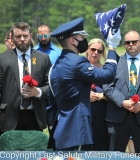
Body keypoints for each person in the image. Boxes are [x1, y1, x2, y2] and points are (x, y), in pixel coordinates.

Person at [46, 17, 121, 151]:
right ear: (72, 40)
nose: (83, 40)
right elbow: (108, 76)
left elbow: (51, 101)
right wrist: (112, 47)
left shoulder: (56, 65)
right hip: (77, 130)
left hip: (61, 128)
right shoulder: (78, 62)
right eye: (81, 36)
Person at [103, 30, 140, 153]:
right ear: (124, 44)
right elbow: (107, 86)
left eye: (134, 42)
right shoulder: (115, 63)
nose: (131, 44)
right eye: (128, 42)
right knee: (115, 155)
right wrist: (122, 101)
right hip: (118, 117)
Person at [0, 22, 51, 135]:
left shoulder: (43, 58)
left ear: (31, 36)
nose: (22, 39)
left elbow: (52, 87)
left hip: (35, 118)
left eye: (25, 36)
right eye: (18, 36)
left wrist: (37, 91)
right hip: (8, 118)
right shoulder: (2, 59)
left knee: (34, 152)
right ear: (12, 38)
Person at [86, 38, 109, 151]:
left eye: (99, 51)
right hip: (84, 112)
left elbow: (114, 90)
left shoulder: (105, 70)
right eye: (93, 49)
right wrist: (85, 95)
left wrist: (103, 96)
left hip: (101, 113)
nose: (95, 53)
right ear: (87, 49)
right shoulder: (79, 67)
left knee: (100, 146)